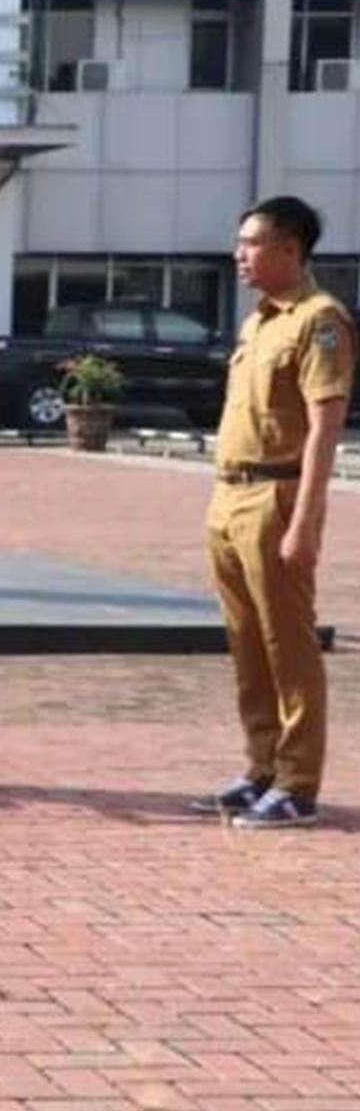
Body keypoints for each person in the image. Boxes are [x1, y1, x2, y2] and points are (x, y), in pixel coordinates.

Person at [201, 196, 353, 829]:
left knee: (287, 645)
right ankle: (261, 765)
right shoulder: (257, 322)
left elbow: (324, 430)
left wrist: (304, 523)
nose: (240, 255)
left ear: (290, 249)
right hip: (229, 494)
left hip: (276, 497)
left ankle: (297, 783)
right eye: (240, 242)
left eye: (252, 243)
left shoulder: (320, 322)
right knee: (246, 645)